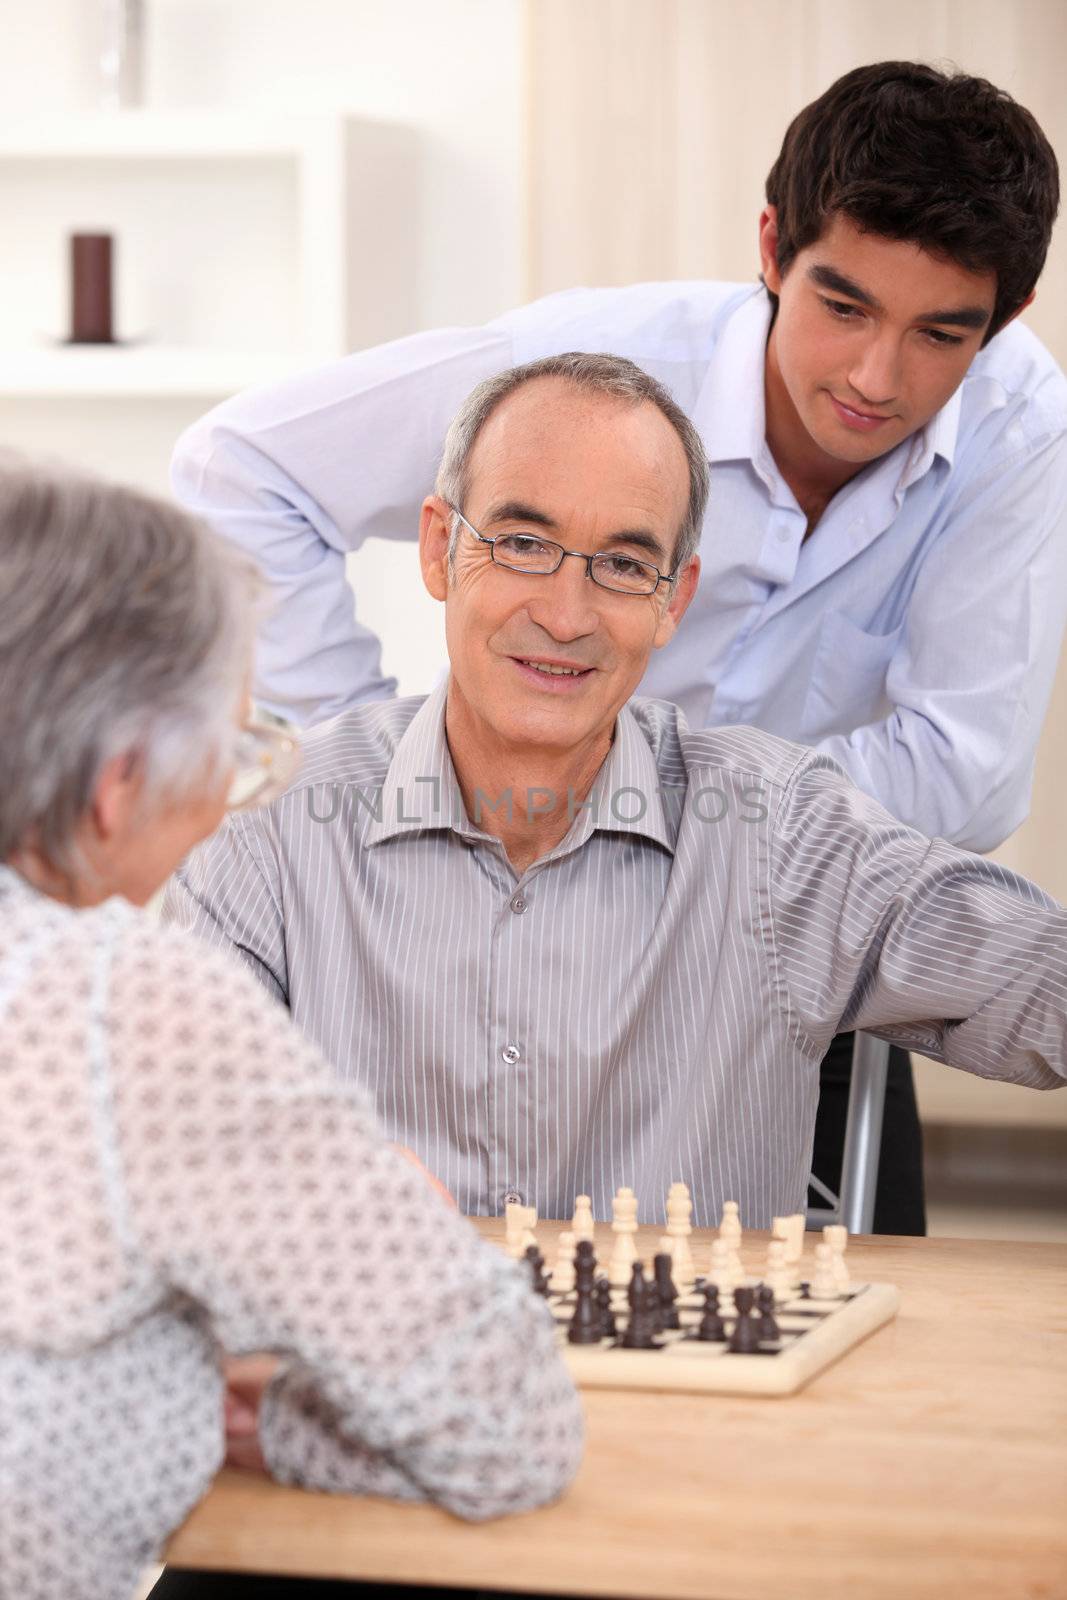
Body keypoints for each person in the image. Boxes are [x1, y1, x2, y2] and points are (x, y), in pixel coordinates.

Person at [169, 62, 1067, 1235]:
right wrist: (395, 764)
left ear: (673, 594)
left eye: (623, 564)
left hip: (767, 941)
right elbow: (242, 472)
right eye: (841, 308)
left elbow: (971, 785)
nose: (870, 377)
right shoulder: (583, 374)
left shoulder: (1015, 433)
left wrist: (723, 844)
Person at [0, 460, 583, 1600]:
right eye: (234, 754)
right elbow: (507, 1425)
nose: (232, 799)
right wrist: (268, 1419)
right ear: (118, 781)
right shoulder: (126, 1004)